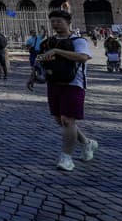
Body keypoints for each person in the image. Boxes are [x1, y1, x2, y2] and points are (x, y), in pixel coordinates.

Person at [26, 10, 97, 172]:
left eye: (58, 21)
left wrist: (57, 52)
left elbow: (83, 57)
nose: (55, 24)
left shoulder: (78, 40)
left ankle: (66, 158)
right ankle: (87, 143)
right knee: (60, 120)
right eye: (53, 21)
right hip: (54, 82)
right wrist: (32, 75)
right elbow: (40, 59)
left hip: (74, 83)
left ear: (68, 22)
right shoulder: (48, 41)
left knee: (67, 120)